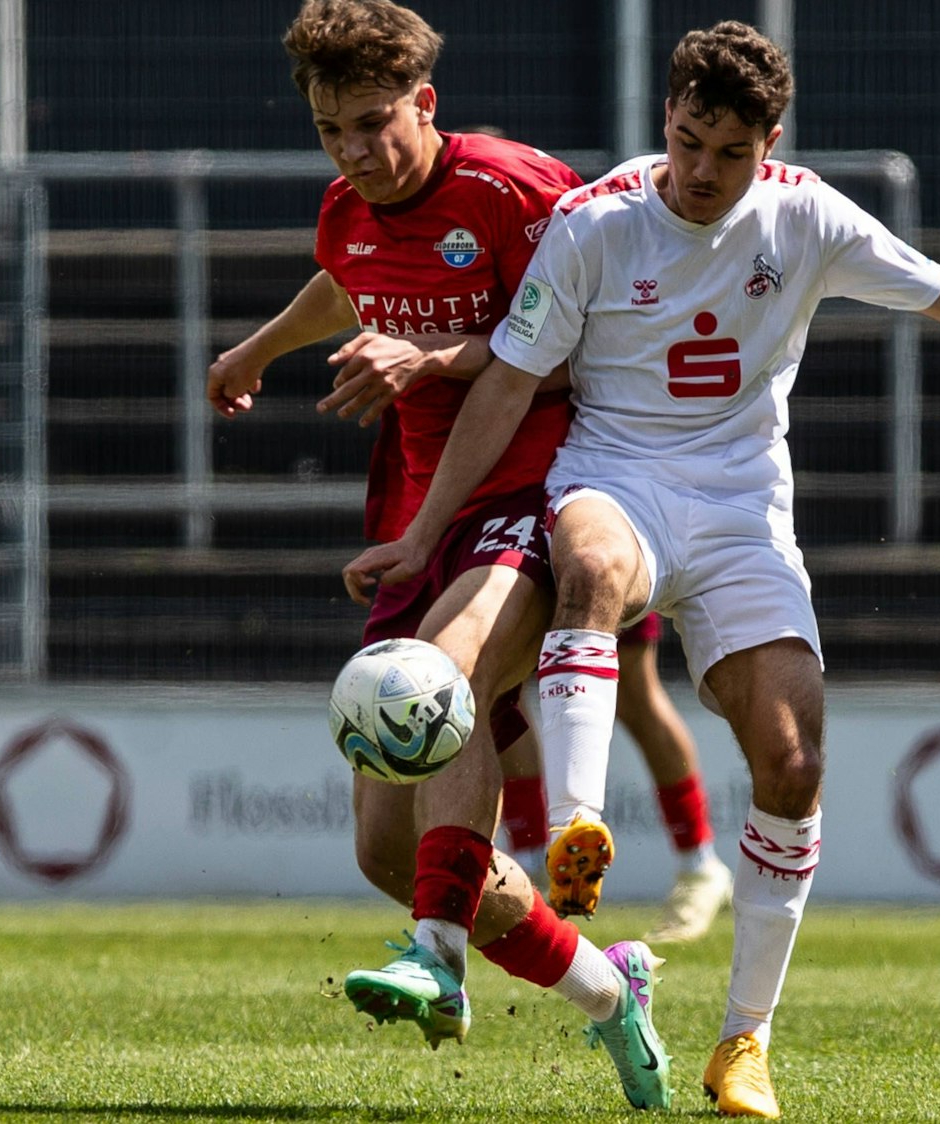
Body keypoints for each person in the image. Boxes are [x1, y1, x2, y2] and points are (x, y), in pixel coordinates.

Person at [344, 20, 940, 1118]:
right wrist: (424, 534)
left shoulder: (805, 214)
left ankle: (741, 1041)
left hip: (740, 511)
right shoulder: (595, 221)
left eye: (726, 151)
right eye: (684, 141)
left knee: (795, 759)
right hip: (614, 474)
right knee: (590, 566)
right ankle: (577, 824)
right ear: (663, 120)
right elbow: (508, 385)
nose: (700, 172)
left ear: (771, 140)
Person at [206, 0, 670, 1109]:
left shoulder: (517, 189)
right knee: (385, 842)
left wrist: (425, 355)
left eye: (374, 125)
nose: (356, 154)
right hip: (430, 509)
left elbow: (589, 343)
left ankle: (437, 956)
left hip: (538, 491)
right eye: (331, 133)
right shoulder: (344, 208)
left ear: (426, 102)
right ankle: (609, 993)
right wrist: (259, 346)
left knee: (434, 681)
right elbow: (349, 273)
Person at [499, 613, 735, 945]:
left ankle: (700, 867)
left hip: (596, 564)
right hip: (513, 564)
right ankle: (530, 870)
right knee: (501, 689)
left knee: (634, 693)